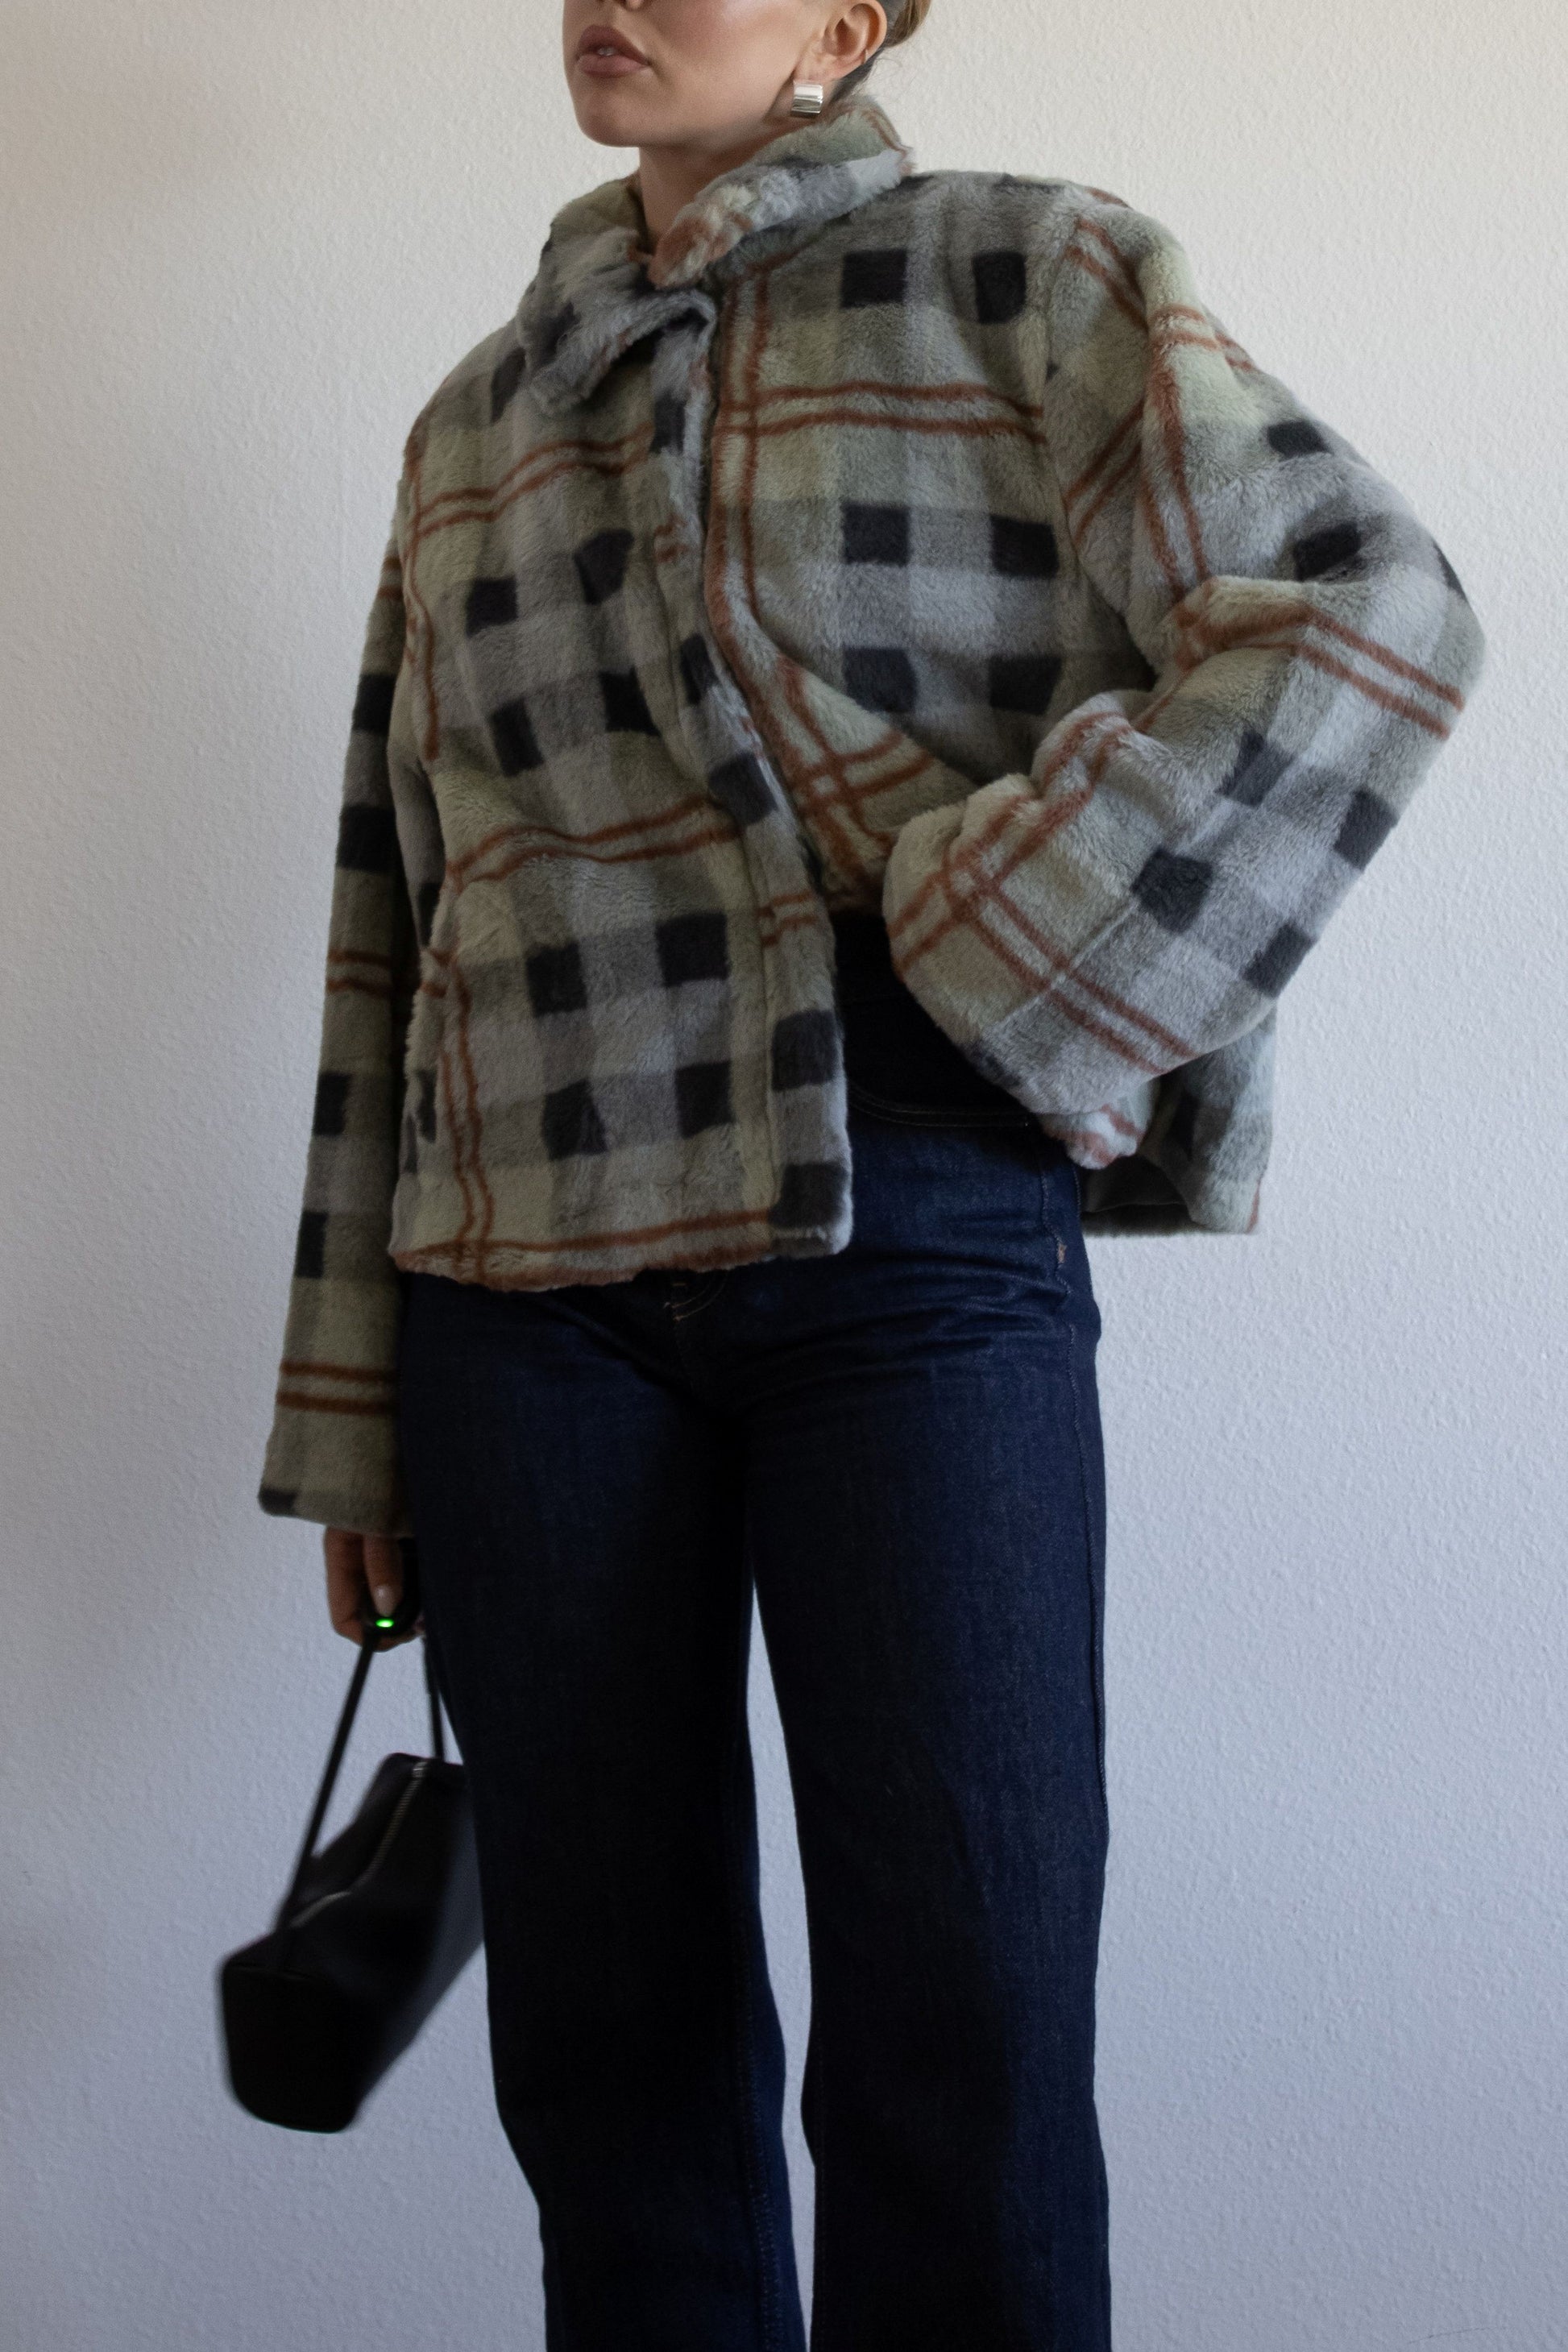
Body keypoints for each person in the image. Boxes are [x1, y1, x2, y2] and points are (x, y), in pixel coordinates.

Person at [255, 3, 1485, 2343]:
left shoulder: (1029, 272)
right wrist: (355, 1410)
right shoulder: (473, 421)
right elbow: (389, 917)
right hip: (518, 1284)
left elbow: (1368, 609)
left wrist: (997, 951)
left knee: (970, 2016)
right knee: (605, 2049)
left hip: (906, 1227)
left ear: (844, 24)